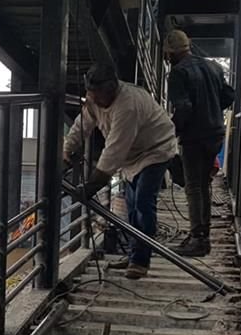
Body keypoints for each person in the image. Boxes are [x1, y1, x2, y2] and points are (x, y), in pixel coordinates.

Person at [64, 63, 177, 280]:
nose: (96, 99)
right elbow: (82, 125)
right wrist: (67, 150)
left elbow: (113, 152)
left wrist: (91, 186)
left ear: (112, 88)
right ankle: (135, 252)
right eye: (92, 93)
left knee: (143, 201)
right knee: (133, 206)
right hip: (132, 156)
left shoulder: (128, 105)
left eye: (100, 94)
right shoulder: (93, 100)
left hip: (156, 149)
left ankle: (140, 261)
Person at [163, 28, 228, 257]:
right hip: (215, 133)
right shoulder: (213, 66)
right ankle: (202, 234)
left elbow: (184, 108)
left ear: (170, 53)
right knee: (203, 185)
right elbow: (229, 95)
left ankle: (198, 238)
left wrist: (172, 131)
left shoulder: (178, 73)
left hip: (194, 136)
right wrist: (212, 110)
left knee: (193, 186)